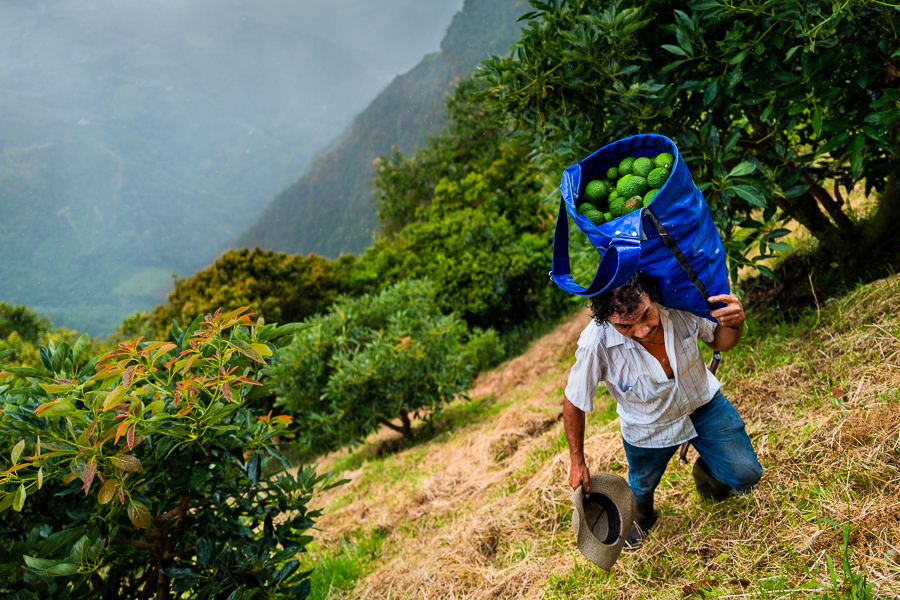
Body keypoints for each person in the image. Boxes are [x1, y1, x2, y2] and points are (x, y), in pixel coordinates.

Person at [563, 270, 762, 548]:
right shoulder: (595, 343)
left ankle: (709, 471)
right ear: (607, 321)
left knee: (747, 474)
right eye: (625, 327)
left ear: (654, 298)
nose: (641, 331)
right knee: (642, 485)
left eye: (646, 315)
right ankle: (643, 514)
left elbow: (720, 342)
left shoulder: (681, 305)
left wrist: (735, 323)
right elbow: (574, 401)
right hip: (647, 428)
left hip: (701, 403)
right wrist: (577, 462)